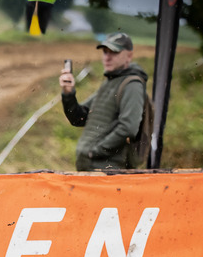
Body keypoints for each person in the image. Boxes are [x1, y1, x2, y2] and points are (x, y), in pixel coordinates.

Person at [59, 32, 148, 171]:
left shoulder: (132, 85)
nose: (107, 57)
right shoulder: (111, 82)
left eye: (114, 52)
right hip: (93, 168)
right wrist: (68, 93)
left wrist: (95, 151)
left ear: (129, 56)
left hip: (107, 170)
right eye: (105, 52)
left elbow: (128, 127)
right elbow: (78, 118)